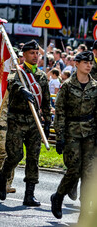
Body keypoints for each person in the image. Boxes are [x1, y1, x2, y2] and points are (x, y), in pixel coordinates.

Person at [0, 40, 51, 206]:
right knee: (15, 155)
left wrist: (47, 123)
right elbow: (12, 83)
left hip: (34, 122)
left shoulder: (41, 75)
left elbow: (46, 102)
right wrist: (22, 89)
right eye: (32, 53)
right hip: (17, 121)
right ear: (24, 55)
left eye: (37, 54)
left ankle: (29, 194)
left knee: (33, 157)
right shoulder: (17, 71)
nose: (35, 56)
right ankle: (2, 176)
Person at [50, 51, 97, 221]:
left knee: (89, 174)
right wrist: (60, 137)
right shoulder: (67, 86)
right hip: (72, 134)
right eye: (85, 62)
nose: (89, 65)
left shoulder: (95, 86)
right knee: (74, 171)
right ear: (76, 64)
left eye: (90, 62)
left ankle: (84, 212)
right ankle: (58, 196)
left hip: (90, 134)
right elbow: (60, 112)